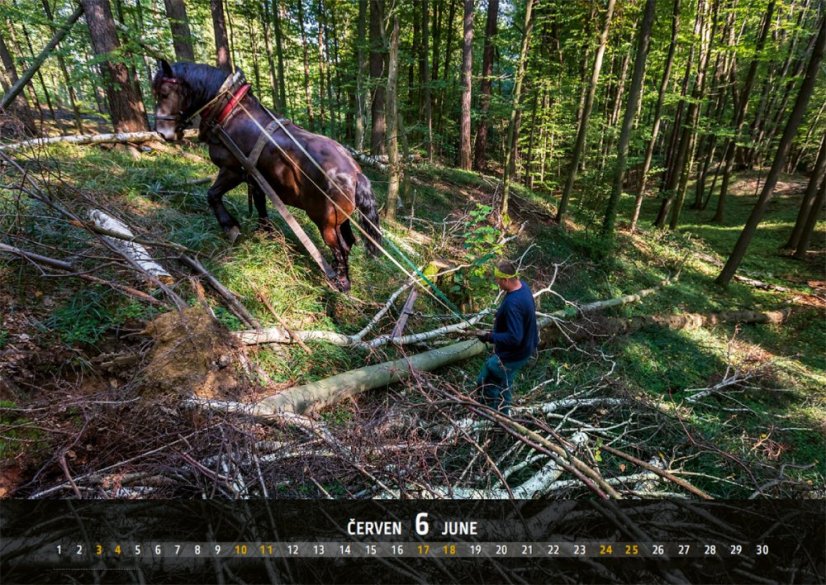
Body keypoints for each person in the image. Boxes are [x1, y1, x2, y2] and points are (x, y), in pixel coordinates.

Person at [474, 260, 539, 416]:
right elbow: (519, 318)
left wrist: (490, 336)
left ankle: (492, 417)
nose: (497, 283)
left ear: (506, 280)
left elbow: (514, 337)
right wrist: (501, 317)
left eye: (498, 280)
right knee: (504, 382)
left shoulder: (513, 304)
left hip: (515, 353)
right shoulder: (522, 287)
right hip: (526, 347)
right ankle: (503, 415)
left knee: (488, 379)